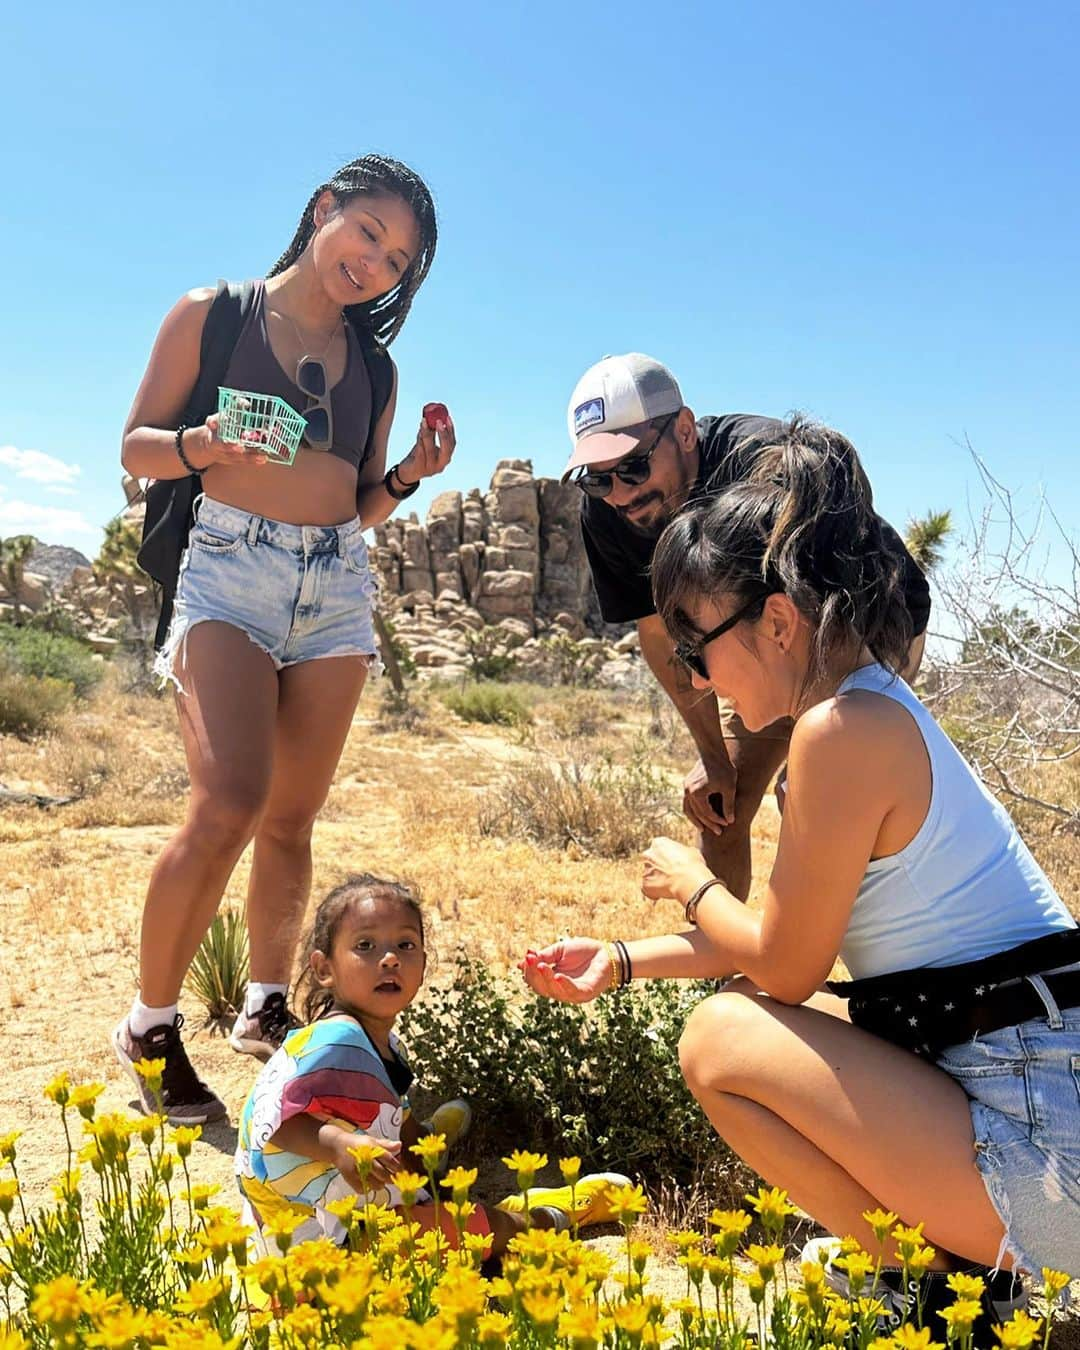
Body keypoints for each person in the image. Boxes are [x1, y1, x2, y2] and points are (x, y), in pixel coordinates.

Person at [526, 416, 1080, 1301]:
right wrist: (623, 961)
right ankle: (945, 1280)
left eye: (698, 648)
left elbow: (782, 968)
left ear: (778, 621)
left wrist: (692, 883)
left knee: (722, 1037)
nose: (700, 681)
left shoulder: (840, 733)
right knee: (737, 1021)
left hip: (1051, 1160)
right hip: (1038, 1125)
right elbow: (780, 935)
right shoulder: (863, 707)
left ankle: (932, 1285)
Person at [114, 155, 456, 1125]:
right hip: (227, 564)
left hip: (336, 582)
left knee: (292, 820)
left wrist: (410, 476)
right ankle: (148, 1027)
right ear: (322, 211)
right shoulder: (212, 313)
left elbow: (358, 502)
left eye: (398, 259)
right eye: (368, 233)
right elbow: (135, 443)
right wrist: (203, 447)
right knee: (229, 798)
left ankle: (268, 1012)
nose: (376, 263)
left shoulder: (376, 370)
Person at [564, 354, 931, 902]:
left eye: (634, 466)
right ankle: (727, 972)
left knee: (819, 795)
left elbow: (827, 615)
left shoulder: (768, 465)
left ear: (684, 430)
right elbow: (663, 636)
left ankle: (836, 963)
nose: (620, 493)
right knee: (719, 806)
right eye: (598, 478)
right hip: (758, 640)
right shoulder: (611, 514)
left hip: (864, 620)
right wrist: (713, 757)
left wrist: (816, 752)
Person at [236, 873, 632, 1255]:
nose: (389, 959)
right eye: (366, 946)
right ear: (324, 968)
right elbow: (277, 1126)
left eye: (405, 946)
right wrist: (341, 1144)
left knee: (416, 1157)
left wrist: (431, 1179)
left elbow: (387, 1107)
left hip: (349, 1202)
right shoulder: (338, 1043)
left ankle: (430, 1146)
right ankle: (550, 1214)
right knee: (485, 1230)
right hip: (317, 1236)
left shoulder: (375, 1041)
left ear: (424, 965)